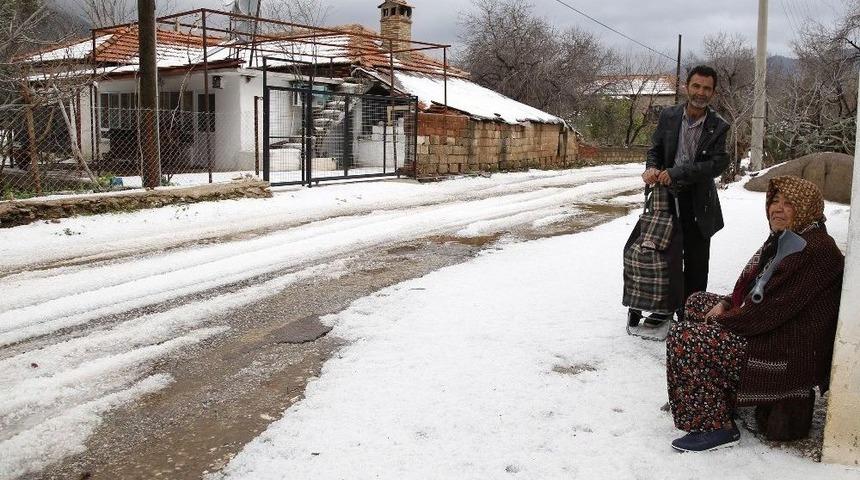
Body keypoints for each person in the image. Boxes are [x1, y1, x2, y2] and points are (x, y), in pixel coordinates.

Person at [665, 176, 844, 452]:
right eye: (774, 201)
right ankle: (702, 394)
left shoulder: (812, 251)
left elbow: (766, 313)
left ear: (806, 207)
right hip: (774, 328)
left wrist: (718, 320)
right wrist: (726, 303)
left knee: (687, 336)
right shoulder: (792, 237)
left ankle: (716, 426)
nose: (777, 209)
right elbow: (756, 287)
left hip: (785, 351)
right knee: (696, 302)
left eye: (788, 203)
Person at [642, 65, 730, 323]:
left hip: (699, 204)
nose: (700, 93)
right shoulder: (669, 115)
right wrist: (652, 168)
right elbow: (655, 148)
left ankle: (692, 315)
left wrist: (678, 172)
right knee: (664, 256)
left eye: (707, 88)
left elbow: (716, 165)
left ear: (713, 93)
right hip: (666, 200)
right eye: (696, 86)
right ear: (686, 86)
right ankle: (663, 310)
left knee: (696, 262)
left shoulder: (719, 126)